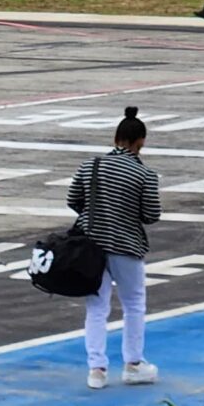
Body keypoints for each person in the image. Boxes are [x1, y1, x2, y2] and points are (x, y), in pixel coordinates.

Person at [67, 108, 162, 389]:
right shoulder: (144, 174)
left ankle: (96, 370)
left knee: (96, 308)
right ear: (140, 142)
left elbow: (73, 199)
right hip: (126, 246)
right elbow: (151, 215)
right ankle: (133, 364)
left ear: (115, 137)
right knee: (134, 304)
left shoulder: (90, 165)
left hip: (91, 245)